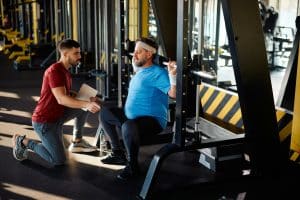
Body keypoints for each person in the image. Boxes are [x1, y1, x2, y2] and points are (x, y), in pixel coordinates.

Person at [12, 39, 101, 166]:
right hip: (45, 122)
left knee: (83, 104)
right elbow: (61, 99)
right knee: (58, 160)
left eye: (79, 53)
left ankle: (77, 140)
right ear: (65, 54)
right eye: (76, 53)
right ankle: (24, 142)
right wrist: (86, 104)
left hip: (58, 116)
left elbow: (67, 94)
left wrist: (87, 99)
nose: (80, 56)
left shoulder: (65, 70)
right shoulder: (55, 71)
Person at [99, 37, 176, 180]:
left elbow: (173, 93)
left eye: (138, 52)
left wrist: (172, 75)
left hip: (153, 120)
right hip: (132, 117)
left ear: (149, 54)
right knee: (105, 112)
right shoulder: (140, 69)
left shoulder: (158, 73)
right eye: (134, 52)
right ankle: (117, 153)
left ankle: (132, 166)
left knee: (128, 126)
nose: (134, 55)